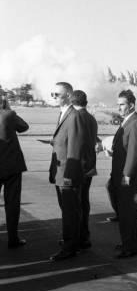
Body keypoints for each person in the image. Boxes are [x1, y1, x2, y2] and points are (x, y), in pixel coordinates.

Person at [49, 82, 85, 261]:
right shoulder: (63, 114)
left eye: (57, 94)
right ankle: (72, 243)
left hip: (67, 175)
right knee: (68, 211)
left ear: (69, 95)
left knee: (70, 213)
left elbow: (75, 150)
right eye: (52, 94)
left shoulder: (74, 116)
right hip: (60, 172)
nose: (54, 97)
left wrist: (69, 177)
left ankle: (69, 247)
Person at [109, 90, 137, 258]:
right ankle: (131, 242)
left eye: (122, 104)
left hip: (127, 176)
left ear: (131, 105)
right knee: (126, 212)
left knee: (127, 213)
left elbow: (134, 152)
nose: (119, 107)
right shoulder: (127, 121)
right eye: (118, 104)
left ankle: (129, 247)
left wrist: (127, 175)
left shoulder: (135, 122)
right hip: (121, 173)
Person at [70, 90, 98, 250]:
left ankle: (77, 237)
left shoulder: (76, 117)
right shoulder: (91, 118)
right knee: (84, 202)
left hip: (78, 166)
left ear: (72, 102)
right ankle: (84, 235)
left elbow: (76, 143)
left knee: (75, 204)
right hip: (89, 165)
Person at [0, 96, 29, 248]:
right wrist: (9, 109)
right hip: (11, 166)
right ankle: (13, 238)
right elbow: (24, 127)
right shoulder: (9, 115)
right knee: (12, 203)